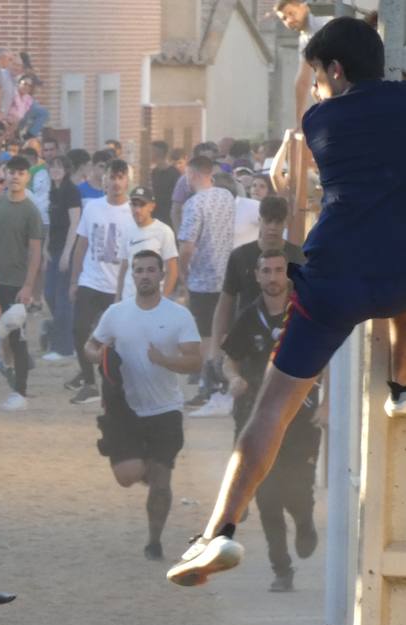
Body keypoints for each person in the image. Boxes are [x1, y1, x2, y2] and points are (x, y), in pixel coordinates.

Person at [170, 18, 406, 585]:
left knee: (271, 409)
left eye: (320, 76)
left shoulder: (320, 119)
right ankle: (400, 386)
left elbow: (311, 116)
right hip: (398, 272)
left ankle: (218, 533)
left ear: (335, 72)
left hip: (331, 281)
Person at [86, 251, 202, 560]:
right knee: (128, 476)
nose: (145, 275)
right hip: (124, 410)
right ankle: (146, 467)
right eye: (139, 270)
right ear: (132, 276)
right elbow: (91, 344)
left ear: (161, 275)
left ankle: (154, 541)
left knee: (161, 481)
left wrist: (165, 360)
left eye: (151, 270)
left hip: (166, 410)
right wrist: (97, 356)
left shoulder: (178, 315)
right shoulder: (116, 313)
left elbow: (195, 360)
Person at [220, 251, 322, 592]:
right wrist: (233, 378)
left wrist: (328, 405)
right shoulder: (248, 318)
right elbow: (228, 360)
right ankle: (281, 569)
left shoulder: (304, 314)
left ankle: (305, 522)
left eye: (279, 270)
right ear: (257, 276)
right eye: (267, 271)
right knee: (266, 498)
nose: (273, 276)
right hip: (259, 416)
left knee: (295, 489)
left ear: (287, 275)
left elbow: (329, 358)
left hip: (301, 415)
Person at [68, 159, 137, 404]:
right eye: (112, 176)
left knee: (115, 337)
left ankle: (113, 380)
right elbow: (82, 244)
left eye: (121, 177)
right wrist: (74, 281)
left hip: (119, 285)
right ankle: (88, 382)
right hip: (91, 280)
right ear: (104, 179)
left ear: (127, 181)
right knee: (79, 329)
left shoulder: (134, 211)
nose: (116, 182)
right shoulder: (93, 207)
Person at [0, 155, 44, 411]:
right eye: (12, 172)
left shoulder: (31, 211)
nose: (16, 177)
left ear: (27, 177)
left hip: (17, 284)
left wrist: (28, 286)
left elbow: (35, 252)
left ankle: (20, 392)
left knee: (18, 339)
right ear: (6, 175)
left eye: (21, 173)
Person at [209, 194, 304, 359]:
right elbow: (225, 303)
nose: (273, 227)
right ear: (259, 221)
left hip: (287, 338)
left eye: (278, 222)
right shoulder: (240, 256)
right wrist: (215, 349)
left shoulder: (299, 257)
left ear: (285, 223)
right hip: (246, 337)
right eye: (268, 221)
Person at [177, 153, 237, 414]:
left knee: (205, 336)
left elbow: (187, 247)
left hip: (202, 278)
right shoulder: (226, 197)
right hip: (227, 274)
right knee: (223, 334)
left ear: (192, 175)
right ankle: (223, 385)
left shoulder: (194, 204)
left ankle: (208, 386)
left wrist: (182, 274)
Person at [41, 153, 80, 361]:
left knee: (63, 298)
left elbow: (75, 223)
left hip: (67, 249)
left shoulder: (71, 191)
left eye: (59, 166)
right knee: (48, 293)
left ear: (66, 170)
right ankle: (62, 333)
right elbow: (51, 222)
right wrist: (46, 246)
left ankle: (64, 347)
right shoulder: (53, 192)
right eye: (52, 166)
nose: (55, 170)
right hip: (53, 249)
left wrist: (67, 252)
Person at [113, 186, 179, 302]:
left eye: (142, 205)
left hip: (153, 302)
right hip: (128, 301)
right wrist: (118, 297)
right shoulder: (127, 230)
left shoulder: (164, 231)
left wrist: (163, 301)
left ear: (151, 207)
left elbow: (172, 270)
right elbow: (124, 267)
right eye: (134, 204)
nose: (137, 210)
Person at [276, 0, 333, 121]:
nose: (289, 20)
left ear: (303, 6)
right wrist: (299, 123)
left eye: (291, 13)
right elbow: (302, 81)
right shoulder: (305, 38)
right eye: (284, 19)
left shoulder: (322, 21)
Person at [150, 140, 180, 227]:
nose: (149, 155)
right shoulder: (154, 172)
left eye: (151, 152)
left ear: (156, 153)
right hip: (156, 213)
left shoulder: (174, 173)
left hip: (168, 215)